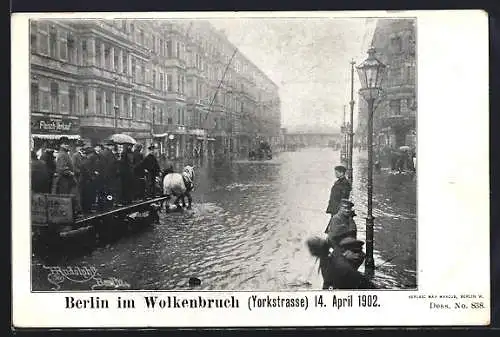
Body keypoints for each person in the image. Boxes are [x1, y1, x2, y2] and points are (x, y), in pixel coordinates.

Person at [99, 140, 118, 209]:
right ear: (110, 146)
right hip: (109, 175)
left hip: (105, 175)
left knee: (105, 191)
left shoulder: (104, 152)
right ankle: (108, 204)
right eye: (112, 146)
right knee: (109, 190)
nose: (113, 147)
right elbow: (110, 165)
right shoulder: (108, 153)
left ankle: (104, 204)